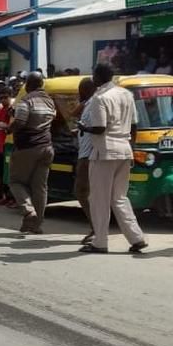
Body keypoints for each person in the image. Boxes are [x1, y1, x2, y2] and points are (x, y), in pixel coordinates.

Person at [80, 62, 148, 255]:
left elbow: (100, 128)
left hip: (104, 151)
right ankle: (137, 238)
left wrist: (84, 128)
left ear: (98, 77)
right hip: (125, 150)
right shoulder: (126, 94)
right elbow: (134, 126)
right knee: (119, 198)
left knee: (98, 199)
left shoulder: (98, 98)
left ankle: (100, 242)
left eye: (94, 75)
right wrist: (131, 150)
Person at [6, 72, 55, 234]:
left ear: (29, 85)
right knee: (40, 187)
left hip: (27, 147)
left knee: (15, 182)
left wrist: (7, 128)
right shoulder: (50, 101)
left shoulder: (26, 101)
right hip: (47, 148)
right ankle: (36, 225)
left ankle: (29, 211)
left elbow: (20, 122)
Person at [73, 77, 98, 245]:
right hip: (86, 152)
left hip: (89, 155)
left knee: (82, 191)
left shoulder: (95, 103)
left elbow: (98, 128)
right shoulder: (89, 103)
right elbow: (74, 113)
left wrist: (84, 128)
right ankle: (97, 227)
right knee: (88, 193)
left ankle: (96, 227)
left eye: (80, 90)